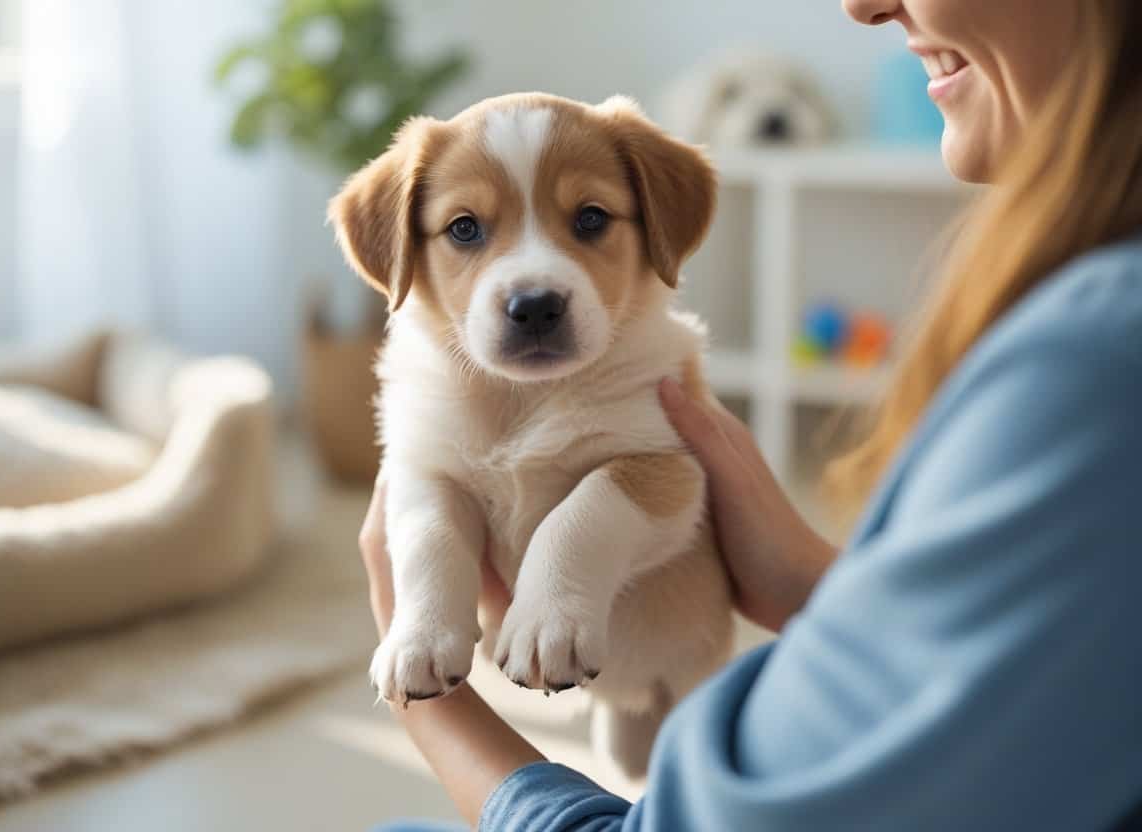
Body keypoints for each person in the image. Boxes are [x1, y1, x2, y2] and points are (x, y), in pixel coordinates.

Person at [360, 1, 1142, 829]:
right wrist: (811, 580)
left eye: (589, 221)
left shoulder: (1097, 365)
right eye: (467, 230)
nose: (861, 5)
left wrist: (436, 712)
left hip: (672, 685)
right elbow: (998, 660)